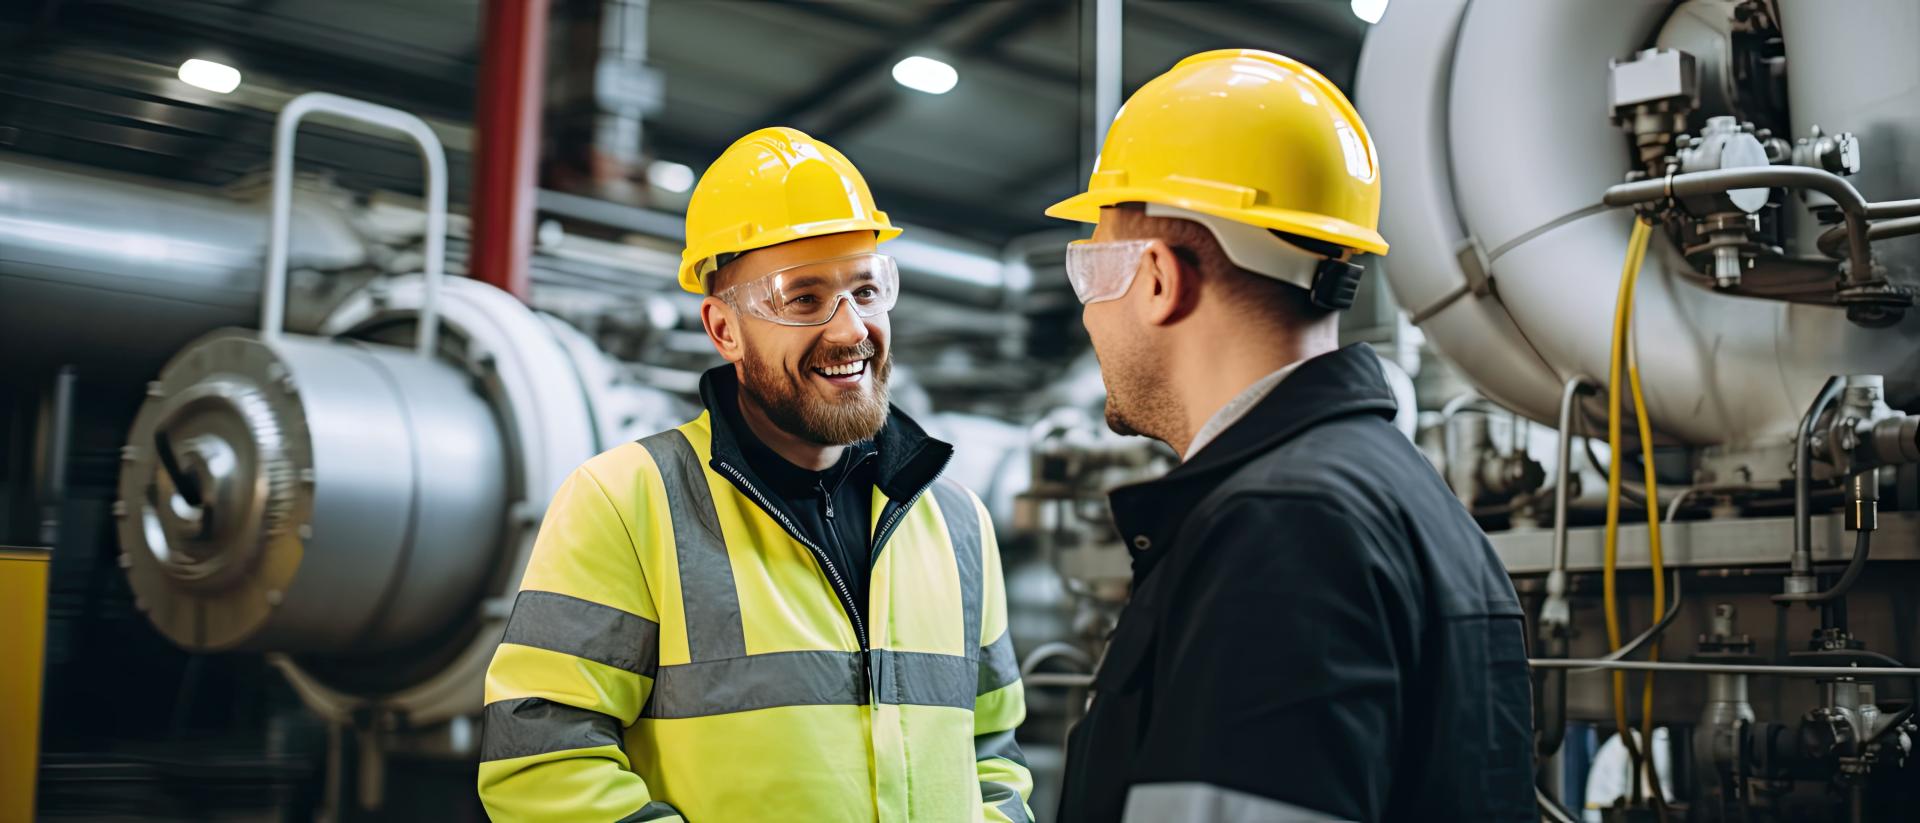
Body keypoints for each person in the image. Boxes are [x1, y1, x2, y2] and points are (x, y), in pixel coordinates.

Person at [477, 127, 1033, 823]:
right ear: (724, 328)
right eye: (804, 299)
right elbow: (541, 758)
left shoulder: (956, 521)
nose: (850, 328)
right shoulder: (628, 501)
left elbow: (995, 754)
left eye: (867, 288)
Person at [1047, 50, 1535, 822]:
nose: (1088, 314)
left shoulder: (1281, 526)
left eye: (1091, 275)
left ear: (1157, 280)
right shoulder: (1411, 503)